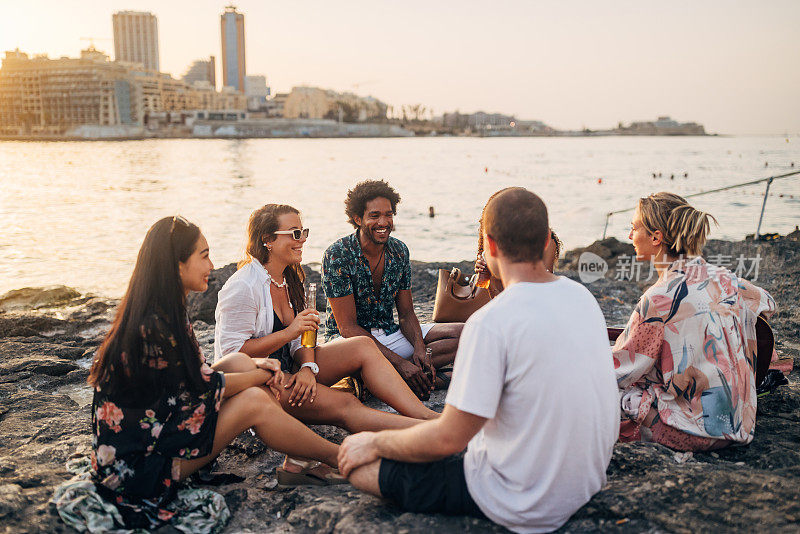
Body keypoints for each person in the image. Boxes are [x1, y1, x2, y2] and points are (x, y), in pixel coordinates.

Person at [337, 188, 620, 533]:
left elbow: (448, 440)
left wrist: (372, 440)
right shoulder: (583, 298)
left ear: (490, 245)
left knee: (356, 465)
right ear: (547, 241)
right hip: (584, 483)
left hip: (520, 500)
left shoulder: (491, 323)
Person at [87, 216, 343, 529]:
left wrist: (257, 367)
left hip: (160, 435)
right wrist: (261, 375)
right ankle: (340, 457)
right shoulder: (153, 327)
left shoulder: (162, 310)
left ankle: (301, 454)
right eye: (204, 256)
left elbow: (195, 379)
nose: (212, 265)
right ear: (176, 264)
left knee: (239, 362)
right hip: (143, 469)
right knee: (254, 400)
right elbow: (200, 391)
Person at [214, 204, 438, 472]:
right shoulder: (242, 286)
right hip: (262, 381)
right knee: (345, 405)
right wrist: (290, 331)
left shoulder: (289, 277)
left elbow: (301, 340)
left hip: (293, 367)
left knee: (362, 345)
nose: (303, 239)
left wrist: (308, 368)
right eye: (295, 233)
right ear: (268, 240)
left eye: (303, 231)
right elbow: (232, 357)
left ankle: (426, 415)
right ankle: (430, 432)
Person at [613, 192, 777, 451]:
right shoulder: (727, 280)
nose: (630, 237)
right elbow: (766, 303)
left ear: (656, 237)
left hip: (690, 432)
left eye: (634, 228)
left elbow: (620, 370)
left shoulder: (657, 299)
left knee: (614, 394)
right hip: (740, 424)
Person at [322, 180, 463, 398]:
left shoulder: (399, 251)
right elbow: (348, 328)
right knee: (360, 352)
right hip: (352, 344)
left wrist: (420, 350)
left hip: (390, 333)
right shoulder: (338, 254)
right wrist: (401, 364)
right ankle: (405, 375)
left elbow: (406, 314)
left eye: (388, 215)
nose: (384, 222)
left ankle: (384, 378)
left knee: (464, 334)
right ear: (358, 219)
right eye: (375, 215)